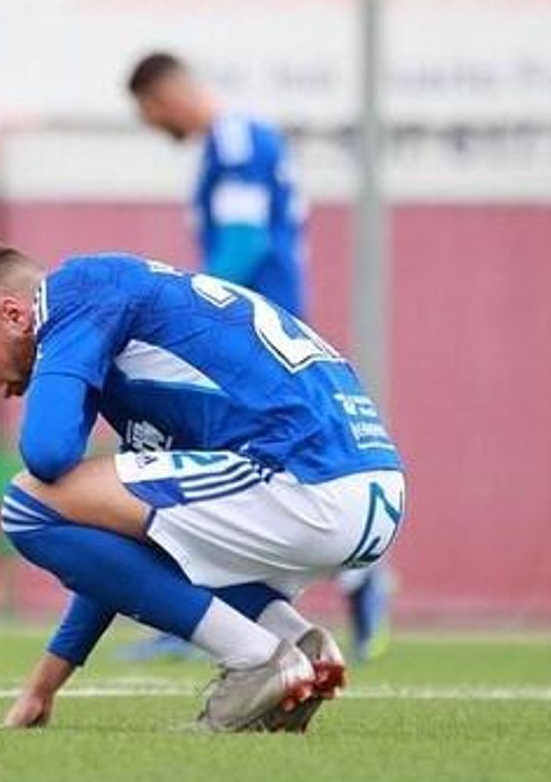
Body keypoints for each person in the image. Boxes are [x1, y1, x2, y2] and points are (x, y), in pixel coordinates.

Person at [0, 244, 407, 732]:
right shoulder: (138, 330)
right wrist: (44, 684)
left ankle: (257, 659)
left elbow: (48, 452)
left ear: (13, 314)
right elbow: (114, 559)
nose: (6, 387)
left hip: (308, 478)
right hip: (367, 488)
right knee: (137, 522)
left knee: (26, 504)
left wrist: (63, 380)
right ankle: (296, 645)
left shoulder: (75, 291)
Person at [127, 51, 393, 663]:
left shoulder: (237, 141)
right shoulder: (234, 142)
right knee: (223, 465)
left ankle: (358, 581)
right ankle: (202, 608)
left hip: (253, 344)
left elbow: (245, 242)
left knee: (216, 463)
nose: (155, 127)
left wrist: (186, 311)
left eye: (149, 115)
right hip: (263, 338)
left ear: (163, 99)